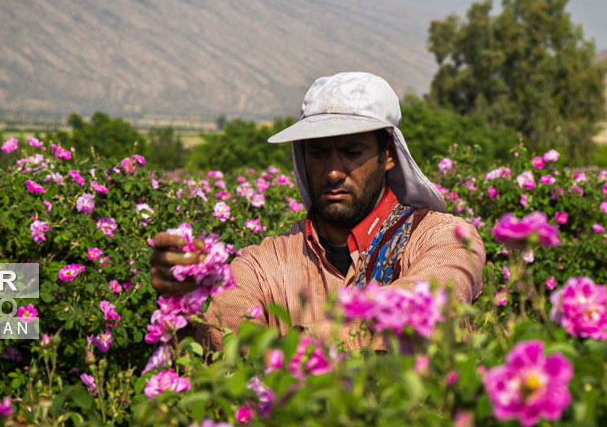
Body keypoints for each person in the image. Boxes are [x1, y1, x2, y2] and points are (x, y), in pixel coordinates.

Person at [149, 71, 485, 349]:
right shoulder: (264, 263)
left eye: (352, 152)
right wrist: (186, 300)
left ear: (388, 156)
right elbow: (227, 332)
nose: (334, 171)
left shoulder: (442, 237)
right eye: (318, 153)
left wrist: (290, 350)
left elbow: (429, 302)